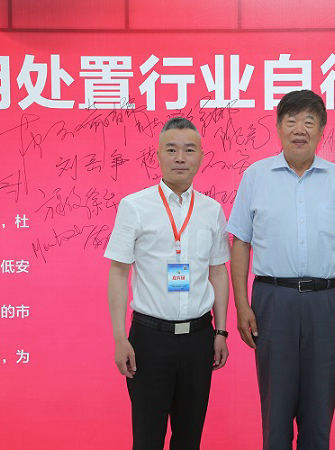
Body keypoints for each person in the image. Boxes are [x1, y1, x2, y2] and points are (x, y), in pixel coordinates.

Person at [227, 89, 335, 450]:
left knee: (319, 413)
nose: (299, 129)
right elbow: (240, 242)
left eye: (309, 121)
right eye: (291, 120)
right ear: (278, 127)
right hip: (273, 300)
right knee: (275, 412)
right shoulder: (255, 176)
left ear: (322, 130)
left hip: (327, 302)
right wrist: (241, 305)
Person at [105, 117, 230, 450]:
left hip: (199, 339)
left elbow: (218, 271)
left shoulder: (212, 210)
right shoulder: (134, 206)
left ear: (201, 156)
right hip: (149, 340)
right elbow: (118, 271)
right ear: (158, 155)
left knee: (189, 438)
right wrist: (120, 337)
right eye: (171, 150)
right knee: (147, 439)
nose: (180, 158)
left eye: (189, 150)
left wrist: (220, 331)